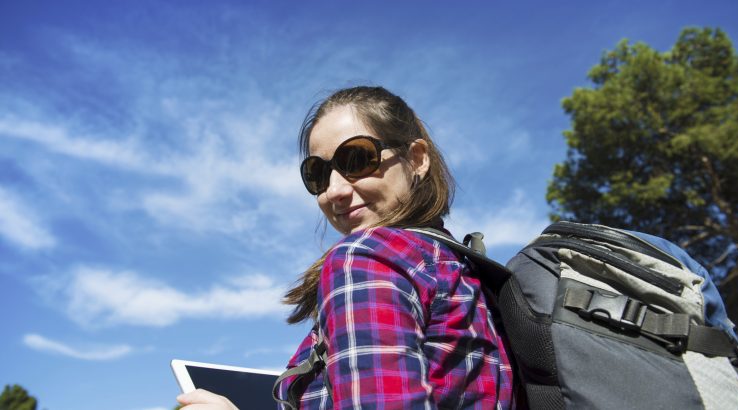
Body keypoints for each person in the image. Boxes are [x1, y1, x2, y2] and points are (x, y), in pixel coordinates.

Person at [177, 86, 516, 409]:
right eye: (318, 173)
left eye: (357, 158)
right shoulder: (462, 269)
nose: (334, 190)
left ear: (416, 158)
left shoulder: (366, 257)